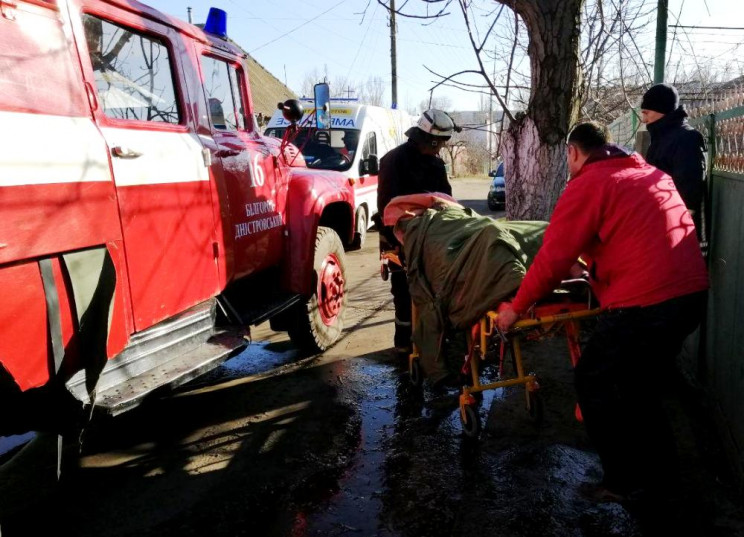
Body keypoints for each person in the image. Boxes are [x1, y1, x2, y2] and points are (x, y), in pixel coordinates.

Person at [496, 122, 709, 503]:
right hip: (689, 295)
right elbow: (634, 235)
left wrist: (517, 308)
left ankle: (623, 481)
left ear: (574, 153)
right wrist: (588, 266)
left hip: (646, 305)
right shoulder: (649, 174)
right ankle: (662, 480)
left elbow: (552, 258)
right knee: (639, 389)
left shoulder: (589, 183)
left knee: (594, 382)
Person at [377, 109, 456, 357]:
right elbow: (387, 208)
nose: (441, 148)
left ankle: (430, 341)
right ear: (432, 139)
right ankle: (404, 345)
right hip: (396, 239)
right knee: (403, 291)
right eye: (441, 143)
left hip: (431, 239)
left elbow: (446, 199)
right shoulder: (392, 161)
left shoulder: (436, 164)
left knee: (432, 288)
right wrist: (399, 241)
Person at [641, 83, 706, 237]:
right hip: (659, 220)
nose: (643, 119)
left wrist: (677, 229)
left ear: (661, 110)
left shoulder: (687, 138)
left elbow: (689, 191)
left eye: (646, 112)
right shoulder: (660, 138)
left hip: (674, 226)